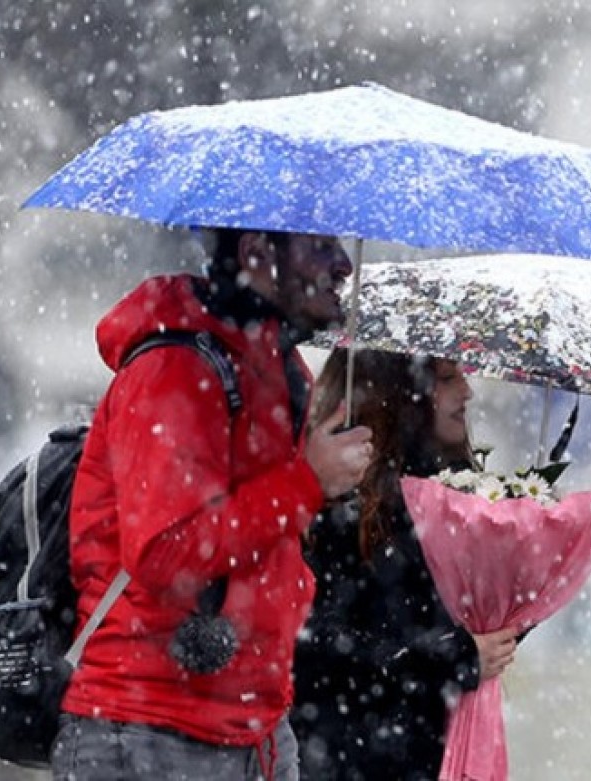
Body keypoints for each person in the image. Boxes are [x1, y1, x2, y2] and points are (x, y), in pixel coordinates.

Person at [51, 229, 375, 781]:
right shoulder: (174, 369)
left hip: (258, 727)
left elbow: (263, 534)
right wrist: (308, 483)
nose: (343, 264)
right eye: (320, 246)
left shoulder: (280, 368)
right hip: (150, 733)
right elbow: (165, 554)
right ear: (255, 253)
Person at [291, 348, 520, 781]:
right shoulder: (338, 499)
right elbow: (315, 640)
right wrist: (453, 657)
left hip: (430, 751)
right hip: (341, 755)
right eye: (449, 379)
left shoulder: (456, 495)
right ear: (401, 390)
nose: (468, 393)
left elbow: (470, 629)